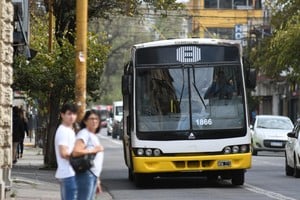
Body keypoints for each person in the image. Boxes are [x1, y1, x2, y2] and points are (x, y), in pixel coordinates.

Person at [72, 110, 104, 200]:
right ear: (85, 121)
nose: (94, 121)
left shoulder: (92, 135)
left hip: (92, 175)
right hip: (86, 174)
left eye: (97, 119)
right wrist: (94, 150)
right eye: (92, 119)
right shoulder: (84, 134)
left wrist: (97, 180)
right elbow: (76, 151)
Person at [54, 103, 78, 200]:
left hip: (69, 173)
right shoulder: (63, 131)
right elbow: (63, 153)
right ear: (62, 115)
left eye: (74, 114)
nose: (72, 116)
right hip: (68, 174)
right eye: (69, 114)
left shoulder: (69, 130)